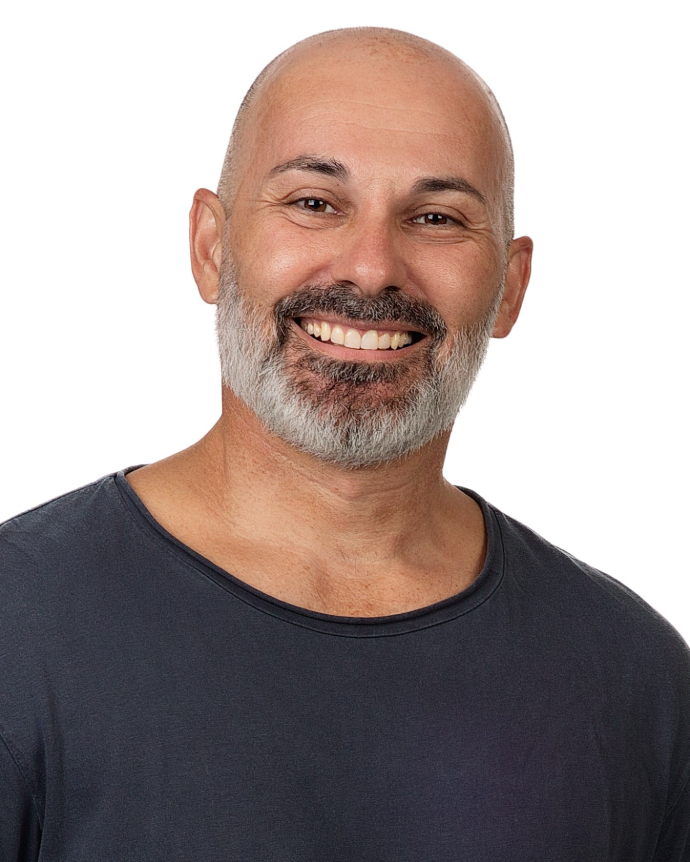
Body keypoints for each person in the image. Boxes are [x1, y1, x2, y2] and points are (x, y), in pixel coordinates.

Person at [1, 26, 688, 861]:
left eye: (435, 217)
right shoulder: (19, 629)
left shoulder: (637, 682)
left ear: (510, 288)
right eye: (315, 203)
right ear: (211, 247)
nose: (371, 267)